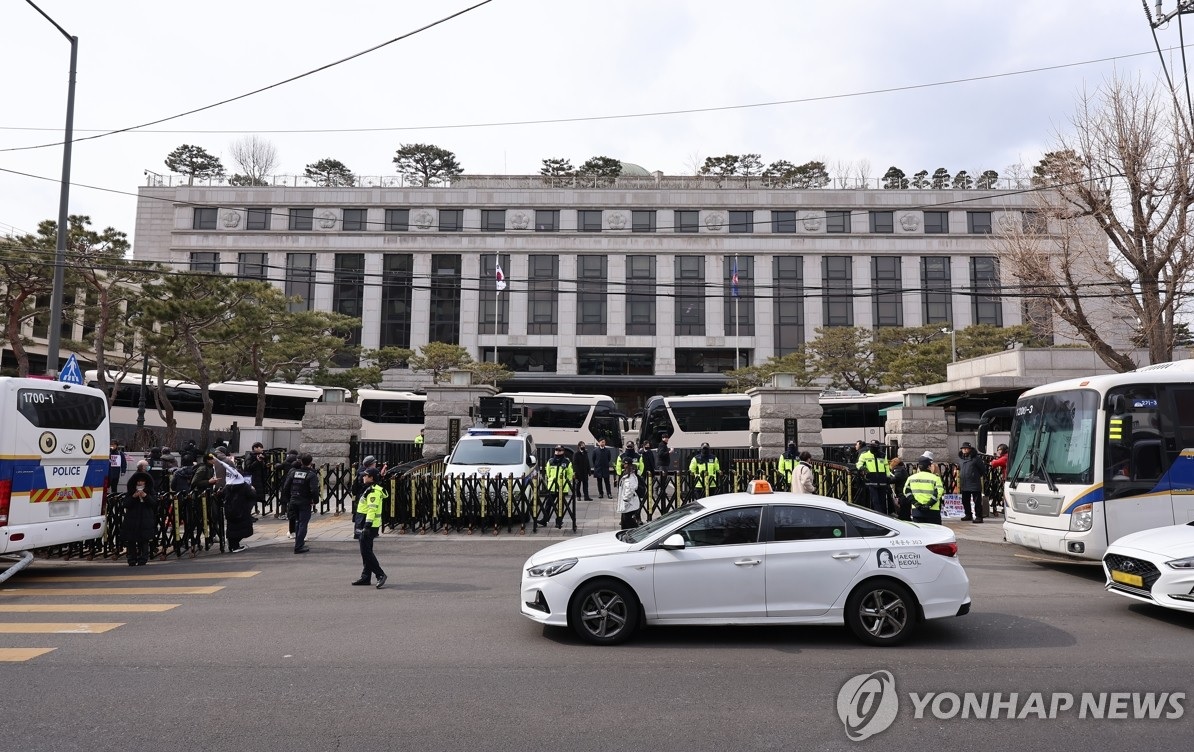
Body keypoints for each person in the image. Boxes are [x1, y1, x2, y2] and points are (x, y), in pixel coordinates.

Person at [352, 467, 387, 588]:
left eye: (365, 475)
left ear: (371, 478)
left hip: (369, 525)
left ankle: (380, 574)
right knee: (367, 550)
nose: (363, 477)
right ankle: (366, 576)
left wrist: (367, 525)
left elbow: (372, 509)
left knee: (366, 552)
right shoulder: (369, 488)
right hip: (364, 523)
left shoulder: (373, 492)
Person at [213, 449, 253, 553]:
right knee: (241, 528)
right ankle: (234, 546)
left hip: (229, 509)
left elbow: (220, 495)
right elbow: (252, 495)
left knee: (232, 528)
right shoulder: (244, 486)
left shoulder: (228, 486)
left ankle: (232, 545)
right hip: (241, 509)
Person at [280, 453, 319, 553]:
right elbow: (314, 490)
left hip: (294, 500)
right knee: (302, 523)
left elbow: (286, 487)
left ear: (301, 461)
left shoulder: (293, 472)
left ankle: (299, 542)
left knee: (297, 522)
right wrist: (315, 501)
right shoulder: (311, 475)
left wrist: (289, 499)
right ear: (311, 462)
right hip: (304, 502)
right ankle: (299, 546)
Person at [122, 460, 157, 566]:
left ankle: (143, 558)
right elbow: (126, 504)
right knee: (131, 540)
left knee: (144, 540)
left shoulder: (150, 491)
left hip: (145, 518)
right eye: (138, 481)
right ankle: (131, 558)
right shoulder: (131, 491)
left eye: (142, 481)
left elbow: (154, 503)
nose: (140, 483)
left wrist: (145, 496)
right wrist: (134, 497)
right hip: (132, 518)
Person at [539, 446, 575, 527]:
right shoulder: (550, 461)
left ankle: (558, 521)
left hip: (562, 487)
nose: (557, 452)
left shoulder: (567, 462)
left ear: (563, 451)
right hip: (552, 487)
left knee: (560, 506)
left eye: (559, 450)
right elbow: (548, 473)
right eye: (556, 450)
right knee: (548, 504)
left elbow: (570, 474)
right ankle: (545, 520)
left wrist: (565, 481)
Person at [904, 457, 945, 525]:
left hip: (917, 510)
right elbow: (938, 493)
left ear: (919, 467)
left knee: (919, 533)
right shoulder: (936, 478)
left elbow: (906, 492)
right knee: (935, 533)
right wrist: (929, 505)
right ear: (929, 467)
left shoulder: (911, 478)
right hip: (933, 511)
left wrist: (915, 503)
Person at [614, 441, 645, 529]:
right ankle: (624, 520)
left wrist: (638, 474)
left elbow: (642, 466)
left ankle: (637, 517)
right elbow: (618, 467)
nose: (629, 448)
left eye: (631, 446)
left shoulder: (638, 456)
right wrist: (620, 475)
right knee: (625, 513)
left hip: (632, 481)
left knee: (632, 507)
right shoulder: (621, 456)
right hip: (623, 479)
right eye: (628, 446)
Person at [856, 440, 891, 515]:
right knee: (875, 500)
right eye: (871, 447)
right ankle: (879, 515)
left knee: (882, 500)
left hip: (882, 481)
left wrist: (888, 476)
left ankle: (883, 515)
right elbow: (859, 464)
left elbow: (886, 466)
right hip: (871, 480)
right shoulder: (864, 455)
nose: (873, 448)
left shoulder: (882, 455)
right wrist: (863, 468)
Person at [957, 441, 985, 523]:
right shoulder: (961, 459)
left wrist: (974, 475)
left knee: (977, 501)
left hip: (974, 483)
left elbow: (982, 470)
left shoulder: (976, 459)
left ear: (970, 449)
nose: (965, 450)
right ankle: (968, 514)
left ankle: (979, 516)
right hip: (964, 483)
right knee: (965, 500)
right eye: (963, 449)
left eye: (966, 448)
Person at [243, 442, 269, 517]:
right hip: (252, 480)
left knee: (256, 497)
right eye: (260, 447)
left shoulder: (261, 456)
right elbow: (248, 467)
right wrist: (257, 461)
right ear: (255, 448)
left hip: (259, 479)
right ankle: (247, 514)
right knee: (252, 497)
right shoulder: (250, 456)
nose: (262, 449)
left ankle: (251, 512)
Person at [887, 456, 912, 521]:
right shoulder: (902, 469)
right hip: (903, 492)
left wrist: (886, 480)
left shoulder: (898, 470)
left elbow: (896, 478)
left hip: (903, 493)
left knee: (904, 510)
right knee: (905, 509)